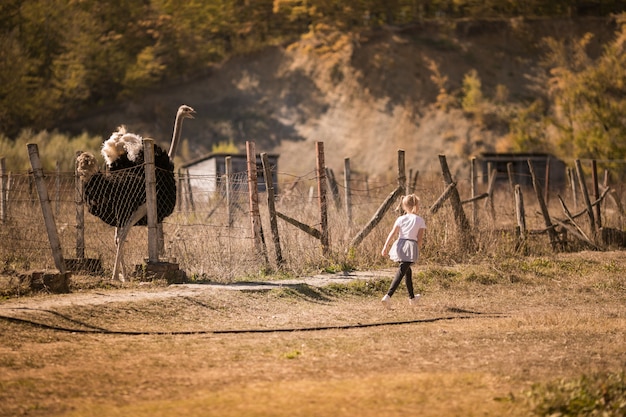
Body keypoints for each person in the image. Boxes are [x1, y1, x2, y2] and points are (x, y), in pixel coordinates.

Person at [380, 194, 426, 309]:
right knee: (402, 271)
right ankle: (388, 296)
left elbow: (392, 233)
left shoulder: (400, 219)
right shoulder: (420, 220)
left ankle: (412, 298)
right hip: (411, 245)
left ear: (404, 206)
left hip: (399, 244)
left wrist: (385, 246)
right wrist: (416, 249)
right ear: (416, 205)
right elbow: (419, 239)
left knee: (406, 270)